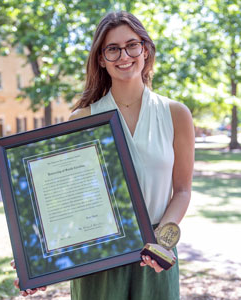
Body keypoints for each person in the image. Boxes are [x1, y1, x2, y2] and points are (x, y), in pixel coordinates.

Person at [12, 10, 194, 299]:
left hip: (156, 254)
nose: (124, 55)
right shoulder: (82, 119)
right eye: (112, 49)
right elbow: (61, 197)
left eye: (132, 45)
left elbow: (183, 190)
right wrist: (35, 259)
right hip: (98, 255)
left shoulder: (175, 114)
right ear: (101, 58)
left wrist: (163, 243)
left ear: (145, 50)